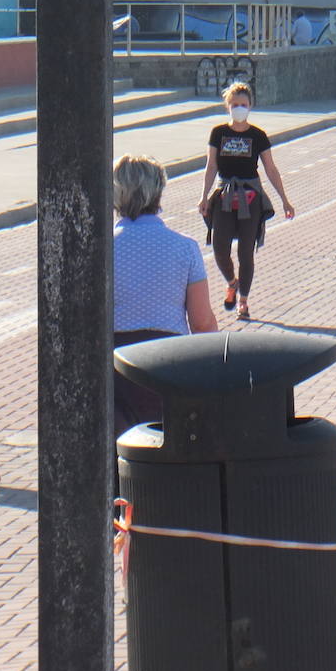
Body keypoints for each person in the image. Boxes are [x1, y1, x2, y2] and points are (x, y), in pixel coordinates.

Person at [113, 155, 217, 435]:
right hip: (168, 360)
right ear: (159, 190)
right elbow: (201, 322)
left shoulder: (103, 249)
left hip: (117, 364)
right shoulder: (185, 248)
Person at [198, 84, 295, 321]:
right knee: (220, 248)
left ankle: (243, 300)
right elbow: (211, 166)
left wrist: (284, 199)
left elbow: (270, 168)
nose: (239, 108)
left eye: (243, 104)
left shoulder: (258, 136)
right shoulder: (218, 133)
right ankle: (232, 282)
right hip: (224, 194)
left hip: (250, 197)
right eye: (235, 105)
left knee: (245, 252)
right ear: (227, 107)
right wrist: (204, 196)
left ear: (250, 106)